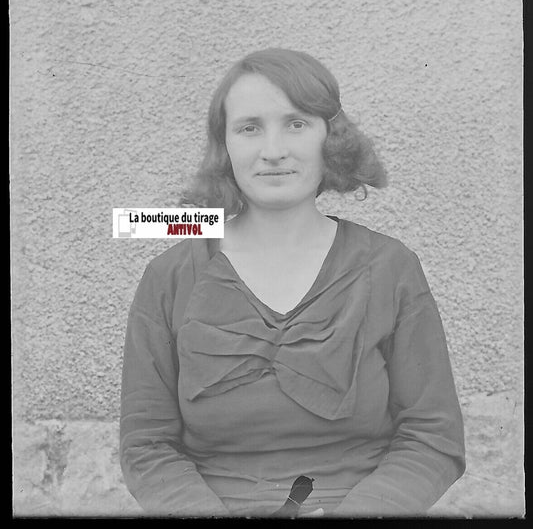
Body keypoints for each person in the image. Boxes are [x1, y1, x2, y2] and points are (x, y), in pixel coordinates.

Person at [119, 48, 465, 517]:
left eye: (297, 124)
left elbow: (433, 436)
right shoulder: (169, 276)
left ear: (332, 139)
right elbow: (147, 447)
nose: (274, 150)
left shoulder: (390, 267)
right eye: (249, 128)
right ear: (226, 147)